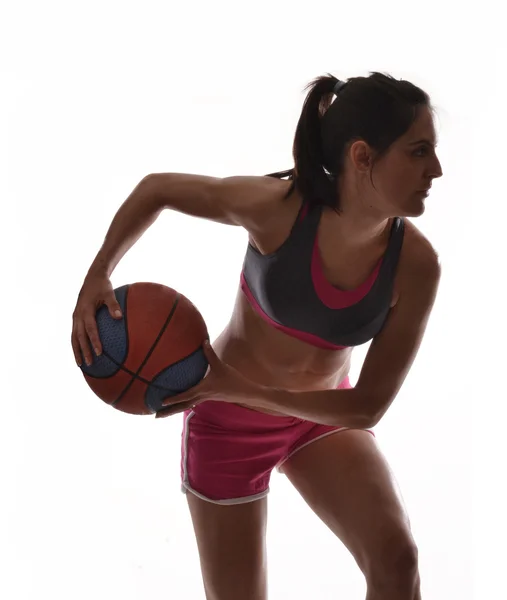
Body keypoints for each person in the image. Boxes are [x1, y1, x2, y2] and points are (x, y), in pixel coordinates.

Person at [71, 71, 443, 600]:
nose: (437, 169)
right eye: (419, 150)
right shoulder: (278, 209)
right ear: (363, 157)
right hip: (227, 424)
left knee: (397, 561)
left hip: (323, 419)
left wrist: (238, 388)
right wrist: (98, 274)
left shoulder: (417, 265)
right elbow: (158, 189)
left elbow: (365, 409)